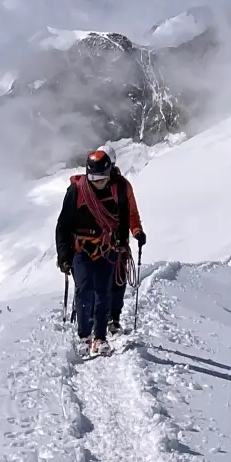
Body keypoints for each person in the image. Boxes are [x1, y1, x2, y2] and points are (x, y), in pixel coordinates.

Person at [55, 148, 146, 355]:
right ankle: (84, 336)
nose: (97, 182)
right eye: (93, 177)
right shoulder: (77, 191)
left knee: (104, 291)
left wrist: (131, 235)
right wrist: (64, 256)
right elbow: (63, 225)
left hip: (109, 247)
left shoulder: (120, 188)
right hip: (82, 249)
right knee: (84, 289)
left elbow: (126, 216)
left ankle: (100, 336)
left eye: (101, 177)